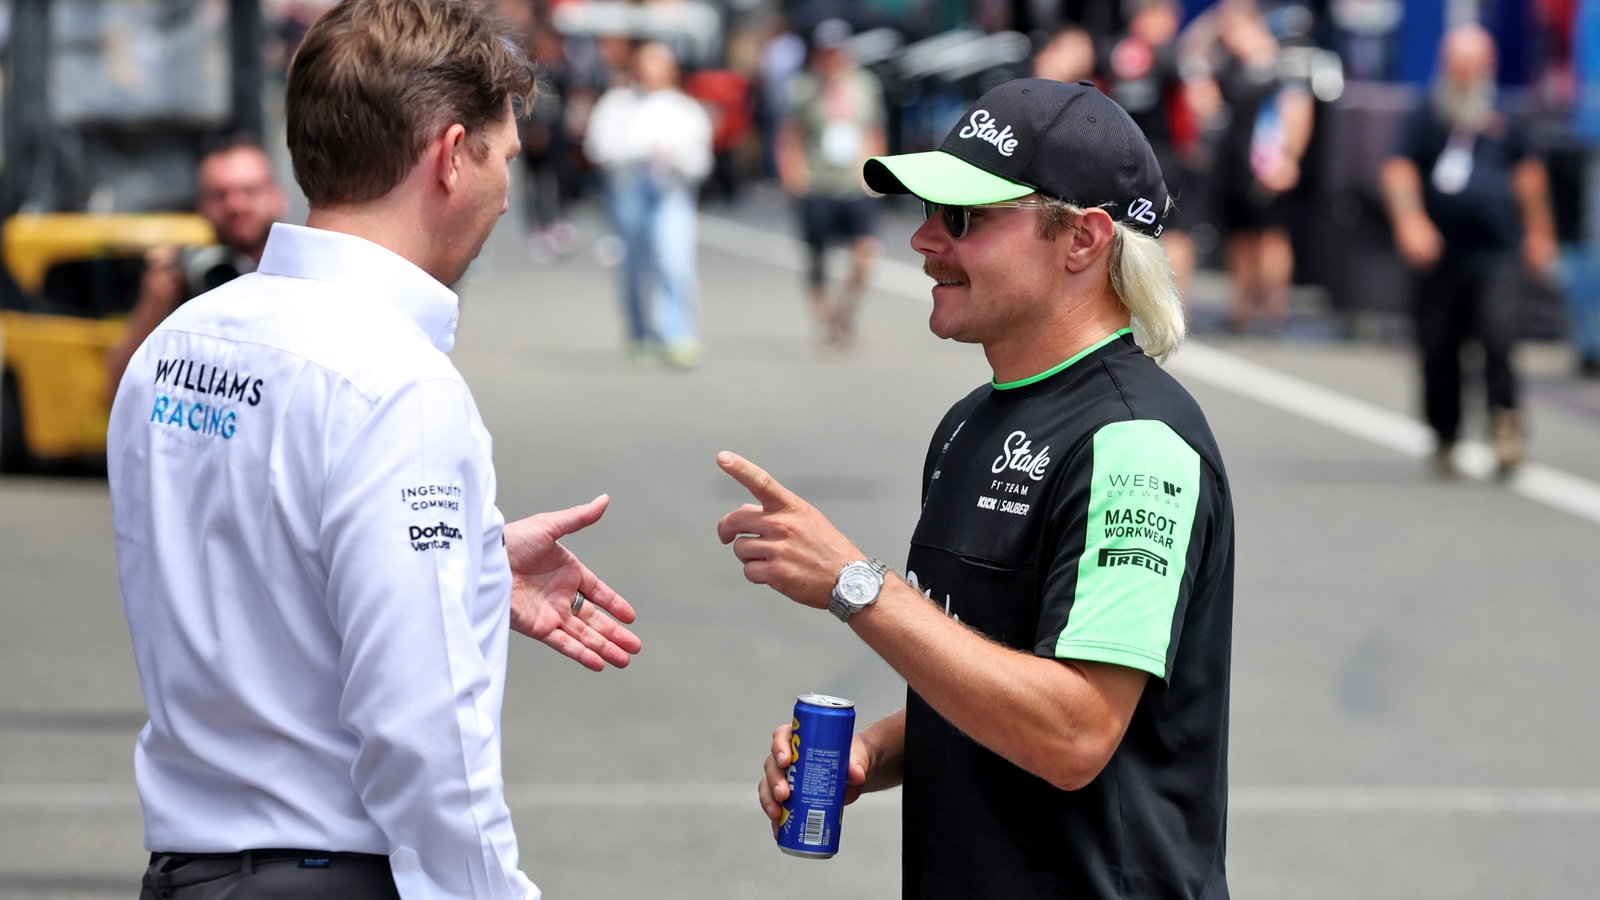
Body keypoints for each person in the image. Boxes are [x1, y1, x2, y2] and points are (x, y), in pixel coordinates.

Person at [107, 2, 642, 898]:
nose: (507, 194)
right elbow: (424, 727)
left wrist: (463, 563)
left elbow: (241, 558)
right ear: (451, 155)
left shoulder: (179, 341)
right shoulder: (396, 382)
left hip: (188, 870)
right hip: (327, 873)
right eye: (504, 159)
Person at [718, 78, 1235, 899]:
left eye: (963, 217)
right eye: (931, 209)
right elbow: (993, 672)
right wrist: (875, 752)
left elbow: (1074, 733)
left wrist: (857, 586)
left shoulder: (1136, 443)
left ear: (1082, 239)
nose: (925, 239)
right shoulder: (970, 422)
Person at [1381, 22, 1557, 477]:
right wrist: (1411, 221)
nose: (1465, 76)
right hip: (1440, 253)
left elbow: (1529, 177)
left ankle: (1505, 424)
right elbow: (1399, 169)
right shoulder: (1426, 115)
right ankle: (1445, 434)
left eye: (1472, 67)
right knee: (1439, 343)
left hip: (1496, 248)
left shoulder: (1507, 119)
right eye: (1458, 67)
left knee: (1499, 335)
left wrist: (1540, 232)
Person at [104, 137, 288, 403]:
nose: (235, 205)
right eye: (220, 195)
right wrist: (152, 306)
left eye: (249, 191)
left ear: (277, 196)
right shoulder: (184, 278)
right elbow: (118, 386)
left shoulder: (300, 275)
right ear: (201, 207)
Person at [584, 40, 713, 368]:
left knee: (674, 262)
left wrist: (676, 158)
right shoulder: (617, 104)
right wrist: (638, 152)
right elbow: (598, 147)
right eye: (646, 63)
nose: (651, 71)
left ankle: (677, 333)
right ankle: (639, 333)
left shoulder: (686, 109)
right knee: (633, 267)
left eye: (659, 64)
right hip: (628, 193)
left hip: (671, 194)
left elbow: (701, 160)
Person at [1191, 0, 1314, 333]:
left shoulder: (1280, 65)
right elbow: (1192, 54)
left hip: (1267, 163)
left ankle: (1274, 310)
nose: (1230, 38)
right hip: (1234, 165)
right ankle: (1242, 308)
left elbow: (1298, 111)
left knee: (1271, 237)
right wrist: (1214, 21)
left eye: (1235, 30)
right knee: (1239, 238)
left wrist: (1289, 160)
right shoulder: (1230, 66)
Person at [778, 18, 887, 351]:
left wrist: (877, 173)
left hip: (855, 182)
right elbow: (791, 134)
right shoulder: (804, 88)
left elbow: (873, 131)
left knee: (866, 253)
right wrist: (792, 174)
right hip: (817, 182)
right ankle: (825, 319)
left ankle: (845, 312)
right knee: (817, 257)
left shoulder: (865, 85)